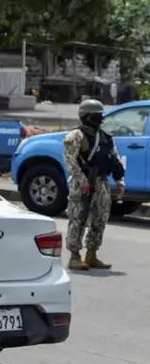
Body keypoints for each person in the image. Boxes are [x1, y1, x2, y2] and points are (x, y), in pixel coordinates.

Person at [64, 99, 125, 271]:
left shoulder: (105, 137)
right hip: (82, 183)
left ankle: (91, 254)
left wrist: (120, 180)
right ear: (86, 116)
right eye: (96, 116)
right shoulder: (75, 136)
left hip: (101, 183)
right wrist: (81, 180)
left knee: (101, 218)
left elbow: (114, 159)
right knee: (78, 219)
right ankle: (74, 256)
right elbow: (70, 160)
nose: (100, 119)